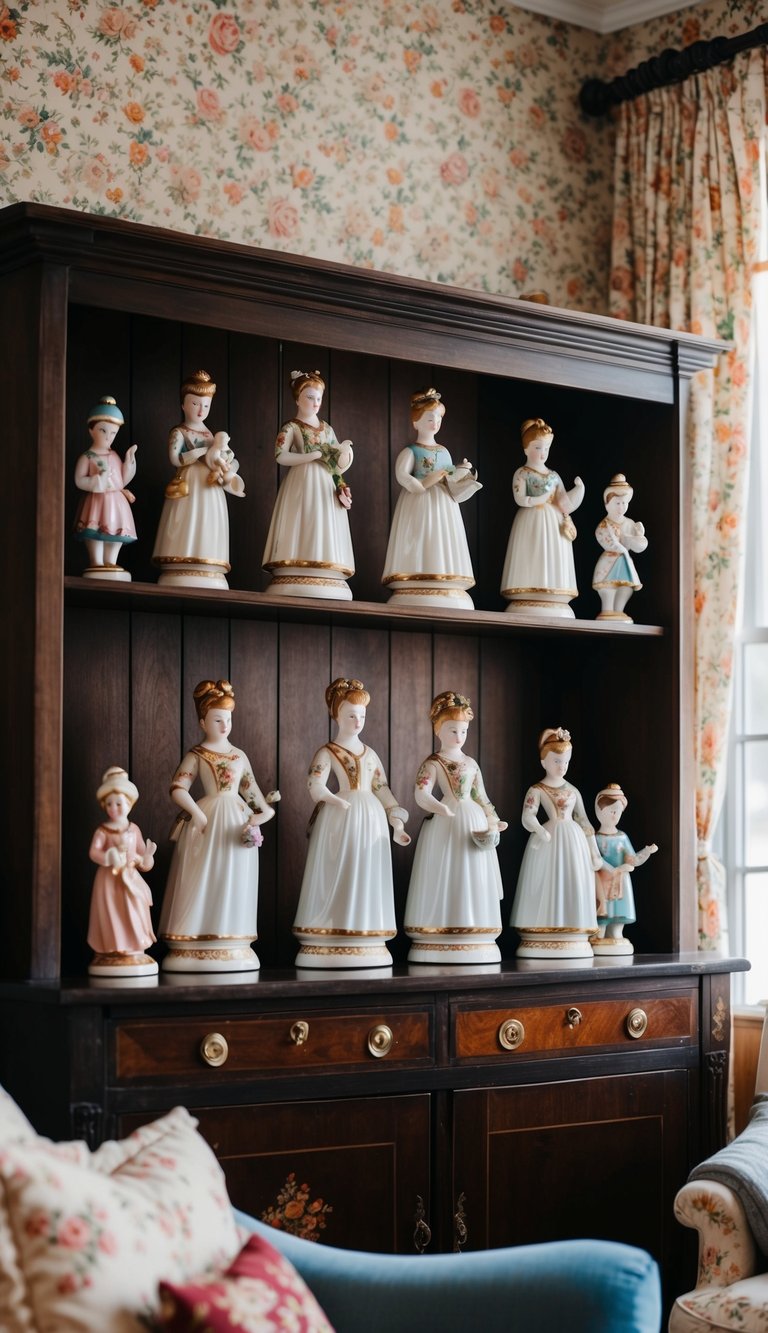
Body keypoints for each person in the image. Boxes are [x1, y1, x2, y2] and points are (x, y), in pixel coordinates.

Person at [159, 680, 276, 972]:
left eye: (228, 719)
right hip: (208, 818)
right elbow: (178, 788)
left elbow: (254, 796)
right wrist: (197, 814)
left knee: (235, 876)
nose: (224, 725)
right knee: (203, 875)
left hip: (236, 821)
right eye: (217, 719)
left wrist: (263, 814)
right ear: (202, 722)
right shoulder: (197, 755)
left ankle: (232, 934)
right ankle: (197, 935)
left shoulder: (239, 756)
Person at [293, 677, 410, 968]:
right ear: (336, 715)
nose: (357, 721)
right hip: (338, 817)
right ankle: (331, 925)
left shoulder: (370, 754)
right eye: (350, 715)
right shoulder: (328, 751)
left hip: (371, 817)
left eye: (362, 716)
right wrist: (334, 800)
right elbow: (315, 785)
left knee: (367, 869)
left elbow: (382, 788)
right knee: (338, 869)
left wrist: (396, 818)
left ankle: (366, 925)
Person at [404, 691, 507, 964]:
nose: (459, 736)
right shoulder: (433, 762)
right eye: (453, 730)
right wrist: (441, 808)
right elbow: (420, 794)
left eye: (463, 730)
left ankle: (475, 925)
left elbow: (481, 796)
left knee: (472, 873)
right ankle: (443, 926)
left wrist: (494, 820)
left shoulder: (471, 764)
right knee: (446, 872)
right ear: (439, 730)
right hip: (446, 823)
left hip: (473, 821)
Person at [382, 387, 481, 609]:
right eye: (429, 418)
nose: (434, 422)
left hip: (443, 503)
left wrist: (461, 470)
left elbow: (449, 476)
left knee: (442, 537)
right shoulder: (411, 451)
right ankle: (417, 578)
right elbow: (402, 475)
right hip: (419, 502)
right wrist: (420, 485)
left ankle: (445, 577)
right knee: (422, 536)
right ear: (416, 422)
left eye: (438, 418)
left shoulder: (443, 451)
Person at [509, 727, 603, 958]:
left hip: (573, 839)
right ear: (544, 762)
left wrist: (593, 851)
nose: (561, 767)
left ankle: (573, 927)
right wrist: (540, 830)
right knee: (546, 881)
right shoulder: (537, 789)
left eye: (565, 762)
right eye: (556, 761)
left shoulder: (573, 791)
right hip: (547, 839)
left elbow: (584, 821)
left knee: (573, 880)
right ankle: (543, 928)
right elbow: (527, 816)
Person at [262, 370, 355, 600]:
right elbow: (280, 456)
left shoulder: (327, 429)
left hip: (325, 483)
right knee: (303, 520)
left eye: (318, 398)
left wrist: (345, 454)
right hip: (301, 482)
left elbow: (337, 461)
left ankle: (326, 565)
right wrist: (310, 457)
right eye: (309, 397)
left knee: (324, 520)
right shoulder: (291, 427)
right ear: (297, 399)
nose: (315, 403)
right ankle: (297, 567)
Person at [152, 370, 244, 590]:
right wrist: (198, 454)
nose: (201, 410)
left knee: (209, 519)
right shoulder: (179, 432)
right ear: (183, 405)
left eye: (206, 405)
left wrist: (227, 458)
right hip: (190, 481)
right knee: (187, 519)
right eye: (195, 404)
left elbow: (221, 452)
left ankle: (207, 560)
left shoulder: (210, 433)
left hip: (210, 485)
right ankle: (183, 561)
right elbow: (175, 459)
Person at [500, 418, 584, 617]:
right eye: (538, 447)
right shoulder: (522, 473)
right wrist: (537, 499)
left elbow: (564, 502)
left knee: (553, 553)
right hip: (531, 520)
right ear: (526, 449)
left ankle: (554, 590)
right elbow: (520, 498)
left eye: (546, 447)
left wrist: (579, 490)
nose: (543, 452)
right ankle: (527, 590)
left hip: (554, 521)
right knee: (532, 552)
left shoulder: (554, 476)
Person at [86, 766, 157, 977]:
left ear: (129, 803)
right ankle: (112, 947)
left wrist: (146, 858)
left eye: (119, 803)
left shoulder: (133, 829)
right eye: (109, 804)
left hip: (130, 878)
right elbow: (93, 852)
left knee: (135, 907)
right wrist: (108, 856)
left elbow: (145, 859)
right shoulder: (103, 830)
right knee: (110, 911)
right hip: (109, 880)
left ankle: (134, 945)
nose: (114, 808)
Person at [73, 397, 137, 579]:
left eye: (113, 433)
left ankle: (111, 560)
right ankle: (96, 561)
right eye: (103, 431)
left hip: (116, 502)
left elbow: (121, 480)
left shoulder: (115, 455)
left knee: (115, 532)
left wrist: (129, 462)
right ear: (91, 430)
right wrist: (97, 481)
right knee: (95, 532)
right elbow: (79, 480)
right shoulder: (88, 457)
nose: (108, 437)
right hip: (96, 501)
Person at [592, 782, 657, 954]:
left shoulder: (622, 837)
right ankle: (600, 934)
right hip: (602, 878)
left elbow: (632, 858)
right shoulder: (595, 838)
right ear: (599, 810)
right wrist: (610, 869)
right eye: (611, 811)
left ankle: (616, 933)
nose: (614, 815)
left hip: (621, 879)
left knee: (619, 907)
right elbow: (594, 859)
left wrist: (646, 852)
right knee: (602, 906)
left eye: (618, 812)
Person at [592, 475, 648, 622]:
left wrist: (639, 537)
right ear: (607, 504)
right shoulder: (605, 525)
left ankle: (619, 611)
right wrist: (621, 544)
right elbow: (605, 539)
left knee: (626, 588)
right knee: (608, 588)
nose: (621, 507)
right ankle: (607, 610)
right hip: (610, 561)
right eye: (617, 503)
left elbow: (638, 546)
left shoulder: (629, 523)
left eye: (624, 503)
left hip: (625, 563)